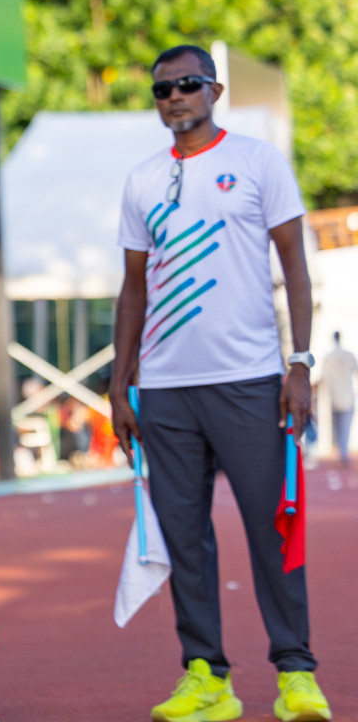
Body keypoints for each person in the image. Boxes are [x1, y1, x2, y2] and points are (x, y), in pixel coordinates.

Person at [109, 45, 329, 722]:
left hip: (249, 380)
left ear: (215, 90)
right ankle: (206, 676)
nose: (174, 97)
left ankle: (296, 674)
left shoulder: (257, 163)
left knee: (273, 528)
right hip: (169, 390)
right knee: (183, 535)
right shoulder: (143, 180)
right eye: (162, 90)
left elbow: (294, 263)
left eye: (187, 85)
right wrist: (121, 386)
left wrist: (300, 363)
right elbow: (133, 289)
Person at [316, 332, 355, 468]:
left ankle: (342, 453)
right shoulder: (348, 355)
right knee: (345, 427)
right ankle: (342, 454)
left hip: (334, 399)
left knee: (338, 428)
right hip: (347, 396)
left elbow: (323, 378)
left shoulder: (328, 357)